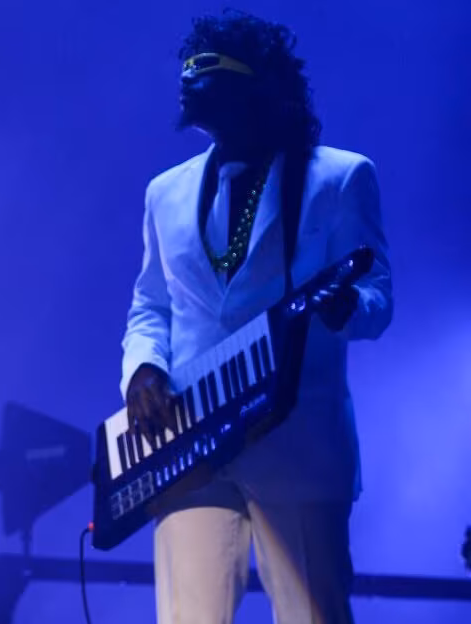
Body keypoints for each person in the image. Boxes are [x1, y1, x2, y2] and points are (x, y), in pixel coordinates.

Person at [119, 10, 392, 624]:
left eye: (205, 69)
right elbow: (151, 305)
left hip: (297, 445)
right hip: (190, 441)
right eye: (186, 69)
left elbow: (378, 294)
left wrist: (348, 308)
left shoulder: (340, 177)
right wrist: (143, 370)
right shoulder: (165, 191)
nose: (187, 80)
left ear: (255, 84)